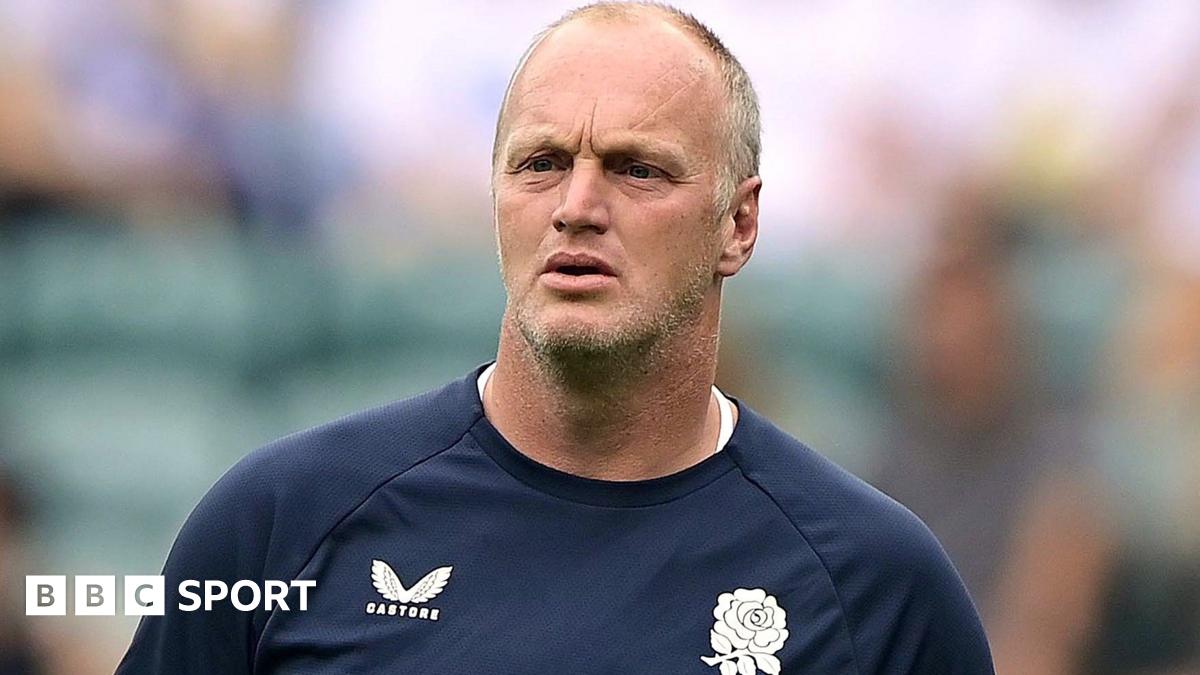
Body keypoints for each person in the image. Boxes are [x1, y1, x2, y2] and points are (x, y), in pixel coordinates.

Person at [117, 3, 992, 673]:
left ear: (739, 222)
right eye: (541, 164)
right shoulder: (281, 521)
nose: (577, 206)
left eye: (635, 168)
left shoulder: (874, 586)